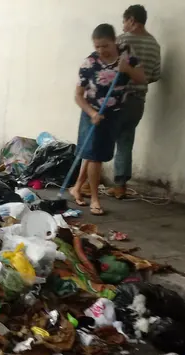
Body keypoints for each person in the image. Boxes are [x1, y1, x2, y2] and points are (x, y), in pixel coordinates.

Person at [69, 23, 146, 216]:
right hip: (92, 114)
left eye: (105, 46)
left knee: (95, 153)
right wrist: (92, 113)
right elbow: (78, 95)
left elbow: (142, 79)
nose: (101, 50)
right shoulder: (89, 63)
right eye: (97, 47)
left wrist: (127, 69)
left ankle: (77, 187)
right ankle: (95, 198)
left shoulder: (127, 58)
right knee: (94, 156)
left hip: (115, 113)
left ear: (114, 41)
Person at [108, 4, 162, 199]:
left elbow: (108, 68)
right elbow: (155, 75)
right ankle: (120, 186)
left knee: (101, 137)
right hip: (138, 101)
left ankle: (89, 181)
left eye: (124, 21)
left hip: (117, 99)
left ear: (132, 20)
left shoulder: (122, 41)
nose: (122, 26)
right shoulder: (154, 44)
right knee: (125, 140)